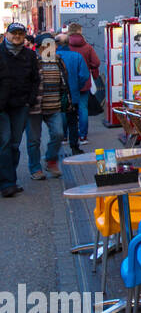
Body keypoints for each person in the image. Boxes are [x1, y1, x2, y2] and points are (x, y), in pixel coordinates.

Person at [0, 22, 41, 198]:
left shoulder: (29, 56)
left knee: (15, 145)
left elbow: (35, 79)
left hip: (20, 105)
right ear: (6, 35)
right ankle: (7, 183)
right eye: (13, 33)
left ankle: (10, 179)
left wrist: (29, 101)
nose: (17, 36)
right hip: (1, 107)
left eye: (20, 33)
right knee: (4, 142)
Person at [25, 33, 69, 180]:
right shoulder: (32, 61)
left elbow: (64, 80)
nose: (52, 47)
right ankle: (35, 168)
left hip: (54, 105)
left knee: (59, 134)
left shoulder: (58, 60)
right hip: (35, 107)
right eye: (48, 44)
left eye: (53, 44)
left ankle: (51, 160)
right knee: (34, 140)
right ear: (39, 47)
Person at [65, 23, 100, 143]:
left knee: (65, 108)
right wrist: (87, 66)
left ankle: (65, 136)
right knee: (83, 108)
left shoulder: (65, 46)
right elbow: (96, 62)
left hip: (67, 83)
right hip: (83, 82)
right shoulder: (87, 47)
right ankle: (83, 136)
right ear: (80, 31)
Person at [56, 34, 90, 155]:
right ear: (68, 43)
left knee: (57, 120)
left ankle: (59, 145)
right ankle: (74, 147)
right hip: (73, 94)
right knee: (73, 122)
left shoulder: (53, 57)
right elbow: (84, 75)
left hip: (55, 96)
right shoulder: (76, 56)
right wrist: (77, 86)